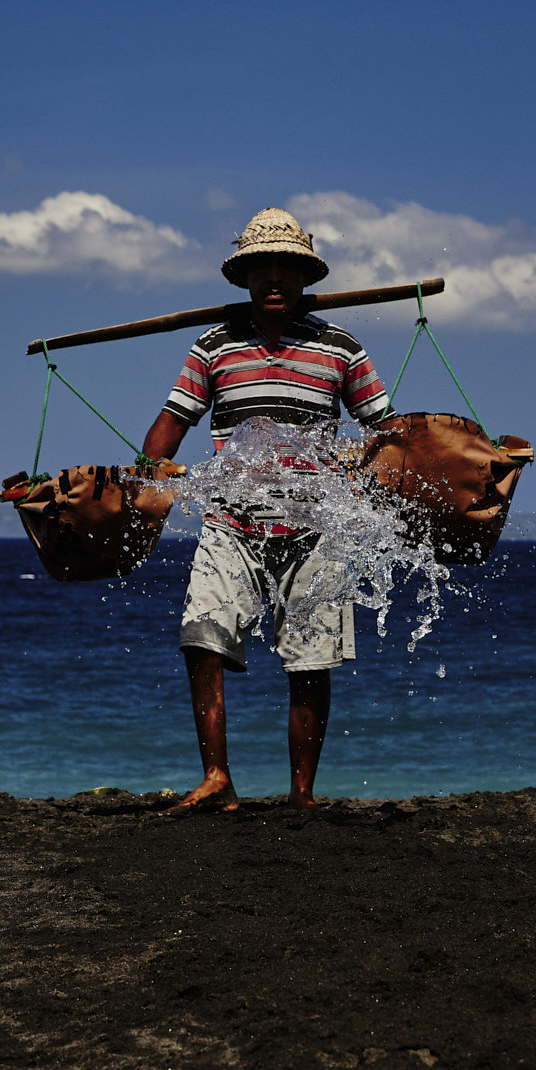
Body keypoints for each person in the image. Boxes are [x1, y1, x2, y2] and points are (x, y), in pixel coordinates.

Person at [142, 208, 390, 814]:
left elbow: (385, 434)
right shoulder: (214, 347)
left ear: (305, 277)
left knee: (310, 661)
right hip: (232, 521)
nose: (273, 279)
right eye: (261, 268)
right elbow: (170, 425)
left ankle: (300, 794)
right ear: (245, 277)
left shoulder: (340, 349)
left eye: (286, 268)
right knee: (202, 638)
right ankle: (217, 778)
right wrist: (148, 478)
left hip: (317, 528)